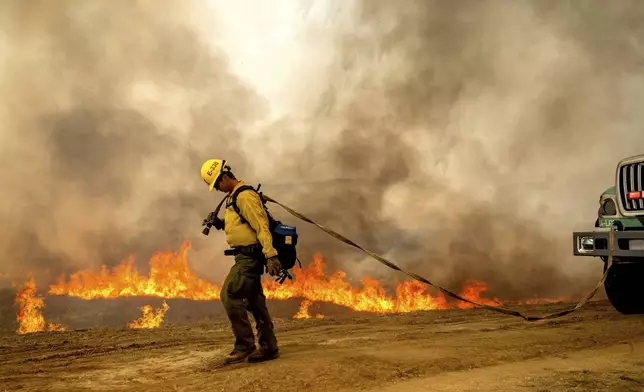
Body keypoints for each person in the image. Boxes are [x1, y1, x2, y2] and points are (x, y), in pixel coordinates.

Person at [200, 158, 282, 364]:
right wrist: (219, 223)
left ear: (225, 177)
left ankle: (244, 345)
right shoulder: (234, 197)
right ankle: (269, 347)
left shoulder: (244, 196)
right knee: (255, 303)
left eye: (217, 184)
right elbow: (240, 225)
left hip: (249, 257)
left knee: (229, 293)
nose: (217, 189)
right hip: (245, 254)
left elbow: (261, 226)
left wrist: (271, 255)